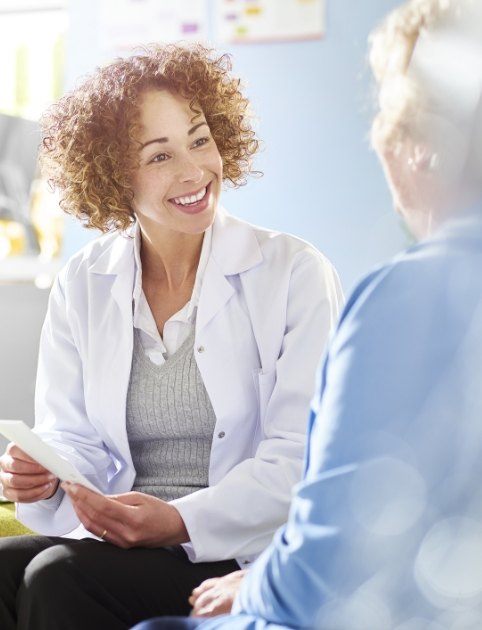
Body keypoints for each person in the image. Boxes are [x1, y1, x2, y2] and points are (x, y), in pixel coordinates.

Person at [134, 0, 482, 628]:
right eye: (157, 154)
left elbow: (332, 562)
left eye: (385, 113)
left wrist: (258, 580)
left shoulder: (403, 299)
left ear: (424, 148)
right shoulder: (88, 280)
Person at [0, 45, 343, 630]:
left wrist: (178, 521)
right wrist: (42, 474)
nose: (193, 172)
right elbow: (72, 436)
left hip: (237, 551)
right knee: (8, 565)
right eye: (159, 156)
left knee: (55, 575)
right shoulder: (84, 281)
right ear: (111, 174)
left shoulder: (294, 272)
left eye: (200, 140)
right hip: (122, 540)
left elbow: (300, 460)